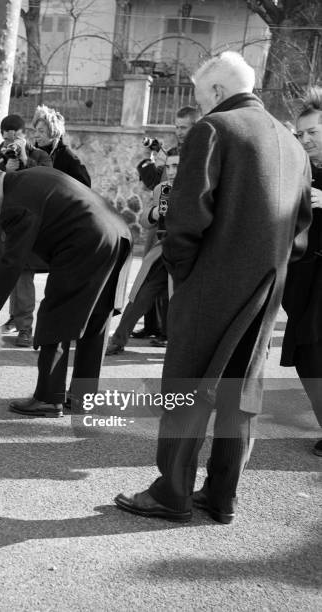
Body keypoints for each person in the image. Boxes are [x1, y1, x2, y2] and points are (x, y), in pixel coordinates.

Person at [114, 51, 311, 524]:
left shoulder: (215, 129)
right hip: (267, 288)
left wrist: (183, 272)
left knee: (186, 387)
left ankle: (172, 491)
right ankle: (222, 495)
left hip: (210, 282)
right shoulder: (294, 145)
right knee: (240, 395)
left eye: (203, 99)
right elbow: (301, 235)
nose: (201, 109)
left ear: (218, 92)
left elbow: (186, 216)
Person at [0, 159, 132, 418]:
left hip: (85, 242)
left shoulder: (16, 204)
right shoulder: (31, 178)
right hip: (118, 234)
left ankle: (48, 398)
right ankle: (83, 397)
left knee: (55, 316)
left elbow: (13, 259)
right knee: (96, 319)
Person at [0, 114, 52, 346]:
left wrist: (24, 161)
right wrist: (2, 166)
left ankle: (24, 328)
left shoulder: (39, 156)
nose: (10, 142)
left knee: (22, 278)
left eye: (16, 136)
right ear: (1, 136)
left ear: (23, 134)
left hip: (24, 225)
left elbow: (45, 181)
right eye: (6, 137)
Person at [133, 106, 199, 341]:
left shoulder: (199, 153)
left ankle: (168, 331)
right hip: (158, 217)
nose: (179, 131)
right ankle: (152, 325)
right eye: (177, 127)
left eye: (184, 127)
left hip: (180, 225)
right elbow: (152, 183)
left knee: (172, 281)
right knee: (151, 276)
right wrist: (151, 161)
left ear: (195, 126)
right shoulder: (170, 151)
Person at [281, 87, 322, 458]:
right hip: (302, 281)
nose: (305, 139)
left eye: (314, 132)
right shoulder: (301, 168)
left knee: (312, 355)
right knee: (305, 356)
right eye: (301, 134)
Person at [106, 153, 180, 354]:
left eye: (176, 166)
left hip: (188, 254)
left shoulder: (197, 190)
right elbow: (146, 222)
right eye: (168, 167)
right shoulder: (162, 189)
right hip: (163, 251)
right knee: (140, 295)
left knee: (182, 304)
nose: (171, 172)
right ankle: (118, 339)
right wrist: (154, 213)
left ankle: (179, 347)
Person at [32, 104, 91, 186]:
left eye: (41, 131)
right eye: (36, 131)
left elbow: (85, 184)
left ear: (53, 132)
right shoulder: (31, 153)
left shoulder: (66, 156)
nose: (36, 135)